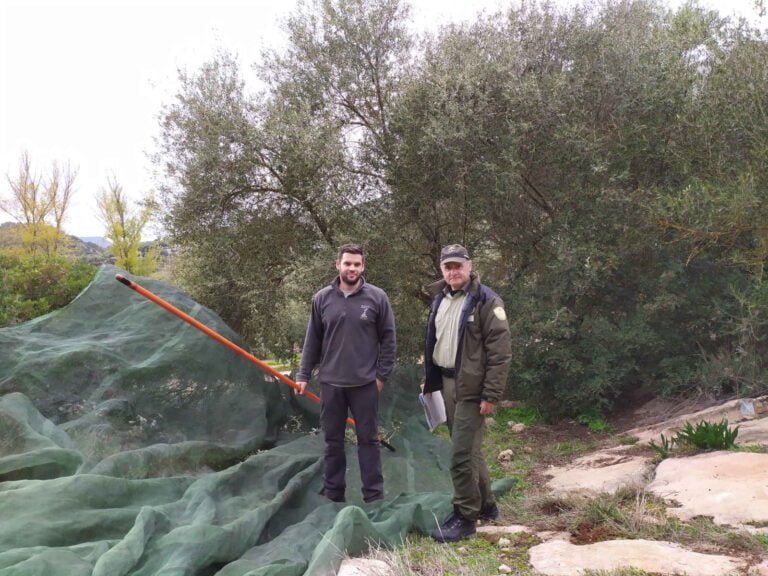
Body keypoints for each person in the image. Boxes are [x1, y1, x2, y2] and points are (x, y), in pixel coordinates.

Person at [423, 243, 512, 542]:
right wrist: (431, 380)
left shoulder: (486, 300)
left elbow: (500, 353)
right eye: (448, 266)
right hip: (446, 384)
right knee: (470, 449)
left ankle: (465, 517)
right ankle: (487, 506)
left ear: (470, 266)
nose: (453, 271)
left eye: (458, 265)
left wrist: (491, 394)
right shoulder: (440, 299)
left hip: (472, 390)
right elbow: (436, 344)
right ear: (442, 270)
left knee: (460, 455)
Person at [296, 243, 396, 503]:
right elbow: (312, 340)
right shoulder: (322, 298)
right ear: (337, 264)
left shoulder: (377, 297)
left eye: (357, 264)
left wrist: (381, 376)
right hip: (331, 383)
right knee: (333, 443)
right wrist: (303, 374)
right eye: (347, 263)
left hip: (365, 384)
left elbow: (389, 339)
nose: (352, 268)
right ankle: (334, 494)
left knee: (368, 442)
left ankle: (373, 496)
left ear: (363, 267)